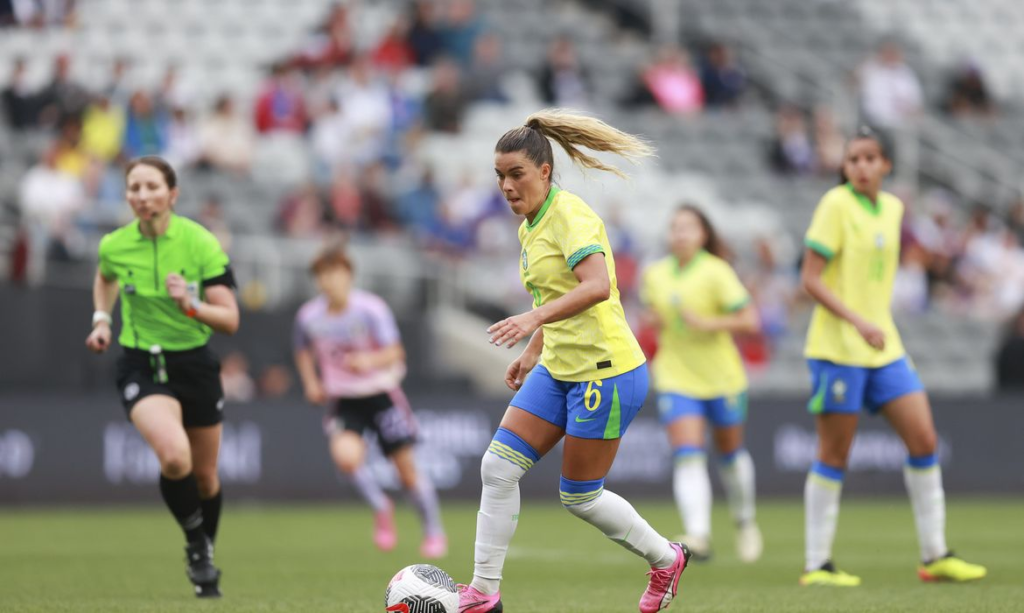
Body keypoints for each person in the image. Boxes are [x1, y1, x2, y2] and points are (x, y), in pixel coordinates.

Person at [458, 109, 690, 613]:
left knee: (579, 496)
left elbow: (597, 286)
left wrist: (530, 318)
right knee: (497, 468)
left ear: (544, 171)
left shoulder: (570, 215)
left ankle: (666, 559)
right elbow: (557, 293)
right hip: (559, 367)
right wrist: (532, 349)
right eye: (499, 176)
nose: (506, 186)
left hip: (606, 372)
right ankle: (483, 594)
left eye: (515, 173)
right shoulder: (530, 227)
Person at [799, 127, 986, 586]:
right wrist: (858, 320)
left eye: (869, 158)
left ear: (886, 164)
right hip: (839, 348)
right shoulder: (835, 205)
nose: (860, 166)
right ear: (844, 167)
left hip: (886, 348)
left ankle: (935, 555)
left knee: (923, 440)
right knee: (834, 453)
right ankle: (817, 564)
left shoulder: (895, 208)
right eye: (852, 159)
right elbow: (811, 278)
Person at [85, 156, 239, 597]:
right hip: (142, 365)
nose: (142, 195)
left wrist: (190, 305)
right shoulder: (114, 244)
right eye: (134, 187)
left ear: (172, 194)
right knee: (175, 457)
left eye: (152, 186)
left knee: (206, 477)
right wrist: (101, 319)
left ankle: (205, 550)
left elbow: (229, 319)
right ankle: (196, 548)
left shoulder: (200, 242)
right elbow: (105, 278)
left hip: (195, 364)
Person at [293, 245, 446, 559]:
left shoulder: (371, 309)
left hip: (380, 394)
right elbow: (302, 349)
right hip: (344, 400)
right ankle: (381, 506)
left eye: (334, 273)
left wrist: (369, 360)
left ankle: (432, 530)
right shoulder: (309, 316)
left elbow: (396, 352)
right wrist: (311, 382)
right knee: (346, 459)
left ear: (348, 275)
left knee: (406, 472)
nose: (328, 282)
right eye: (322, 275)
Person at [640, 205, 762, 563]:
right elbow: (655, 319)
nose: (680, 234)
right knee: (688, 454)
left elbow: (750, 319)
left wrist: (707, 324)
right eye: (674, 227)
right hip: (677, 376)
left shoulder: (716, 271)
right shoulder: (655, 274)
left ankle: (745, 521)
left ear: (703, 234)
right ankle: (699, 534)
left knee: (730, 455)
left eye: (688, 228)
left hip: (722, 378)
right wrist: (653, 321)